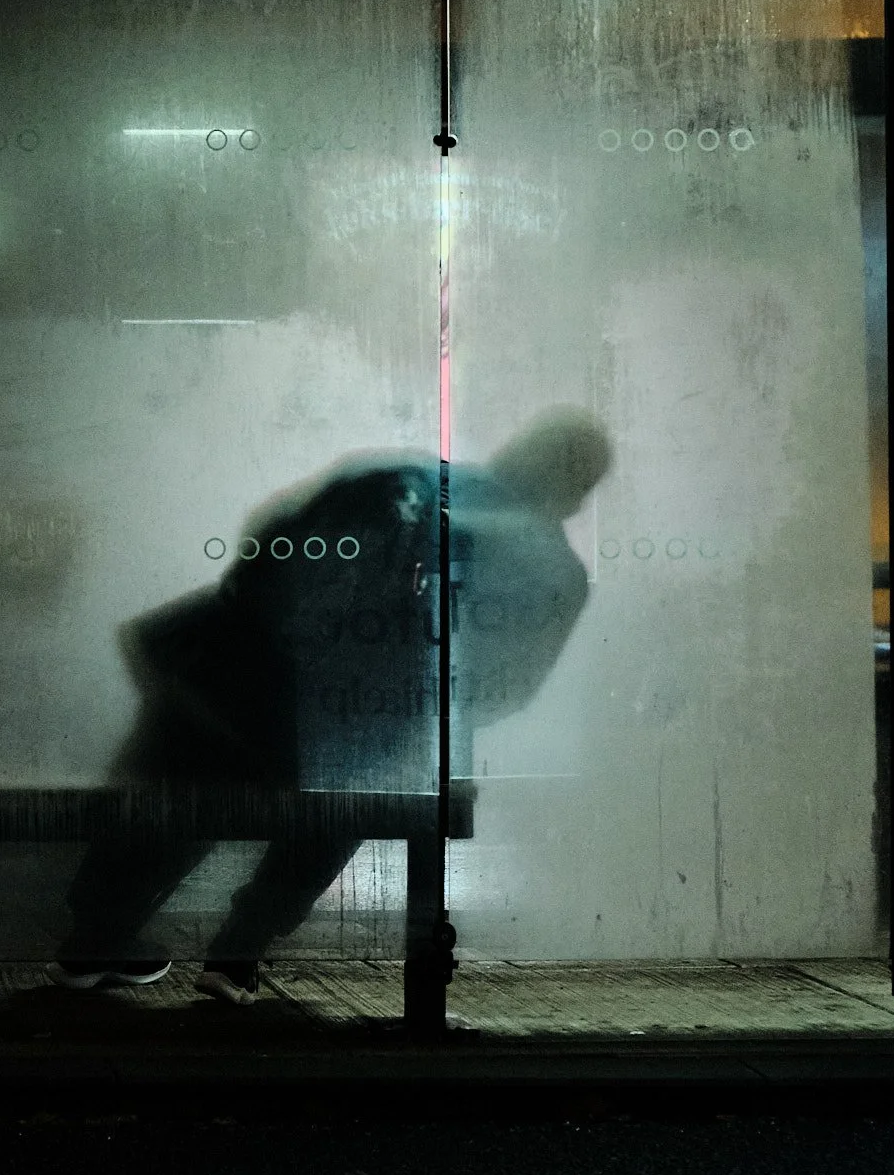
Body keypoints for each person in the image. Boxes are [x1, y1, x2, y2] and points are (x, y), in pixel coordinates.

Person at [49, 410, 612, 1003]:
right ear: (575, 498)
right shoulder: (556, 574)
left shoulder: (399, 477)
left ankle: (97, 936)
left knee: (200, 764)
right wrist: (393, 698)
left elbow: (264, 557)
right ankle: (241, 949)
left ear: (513, 453)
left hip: (234, 700)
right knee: (366, 777)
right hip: (357, 736)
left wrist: (288, 656)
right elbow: (504, 687)